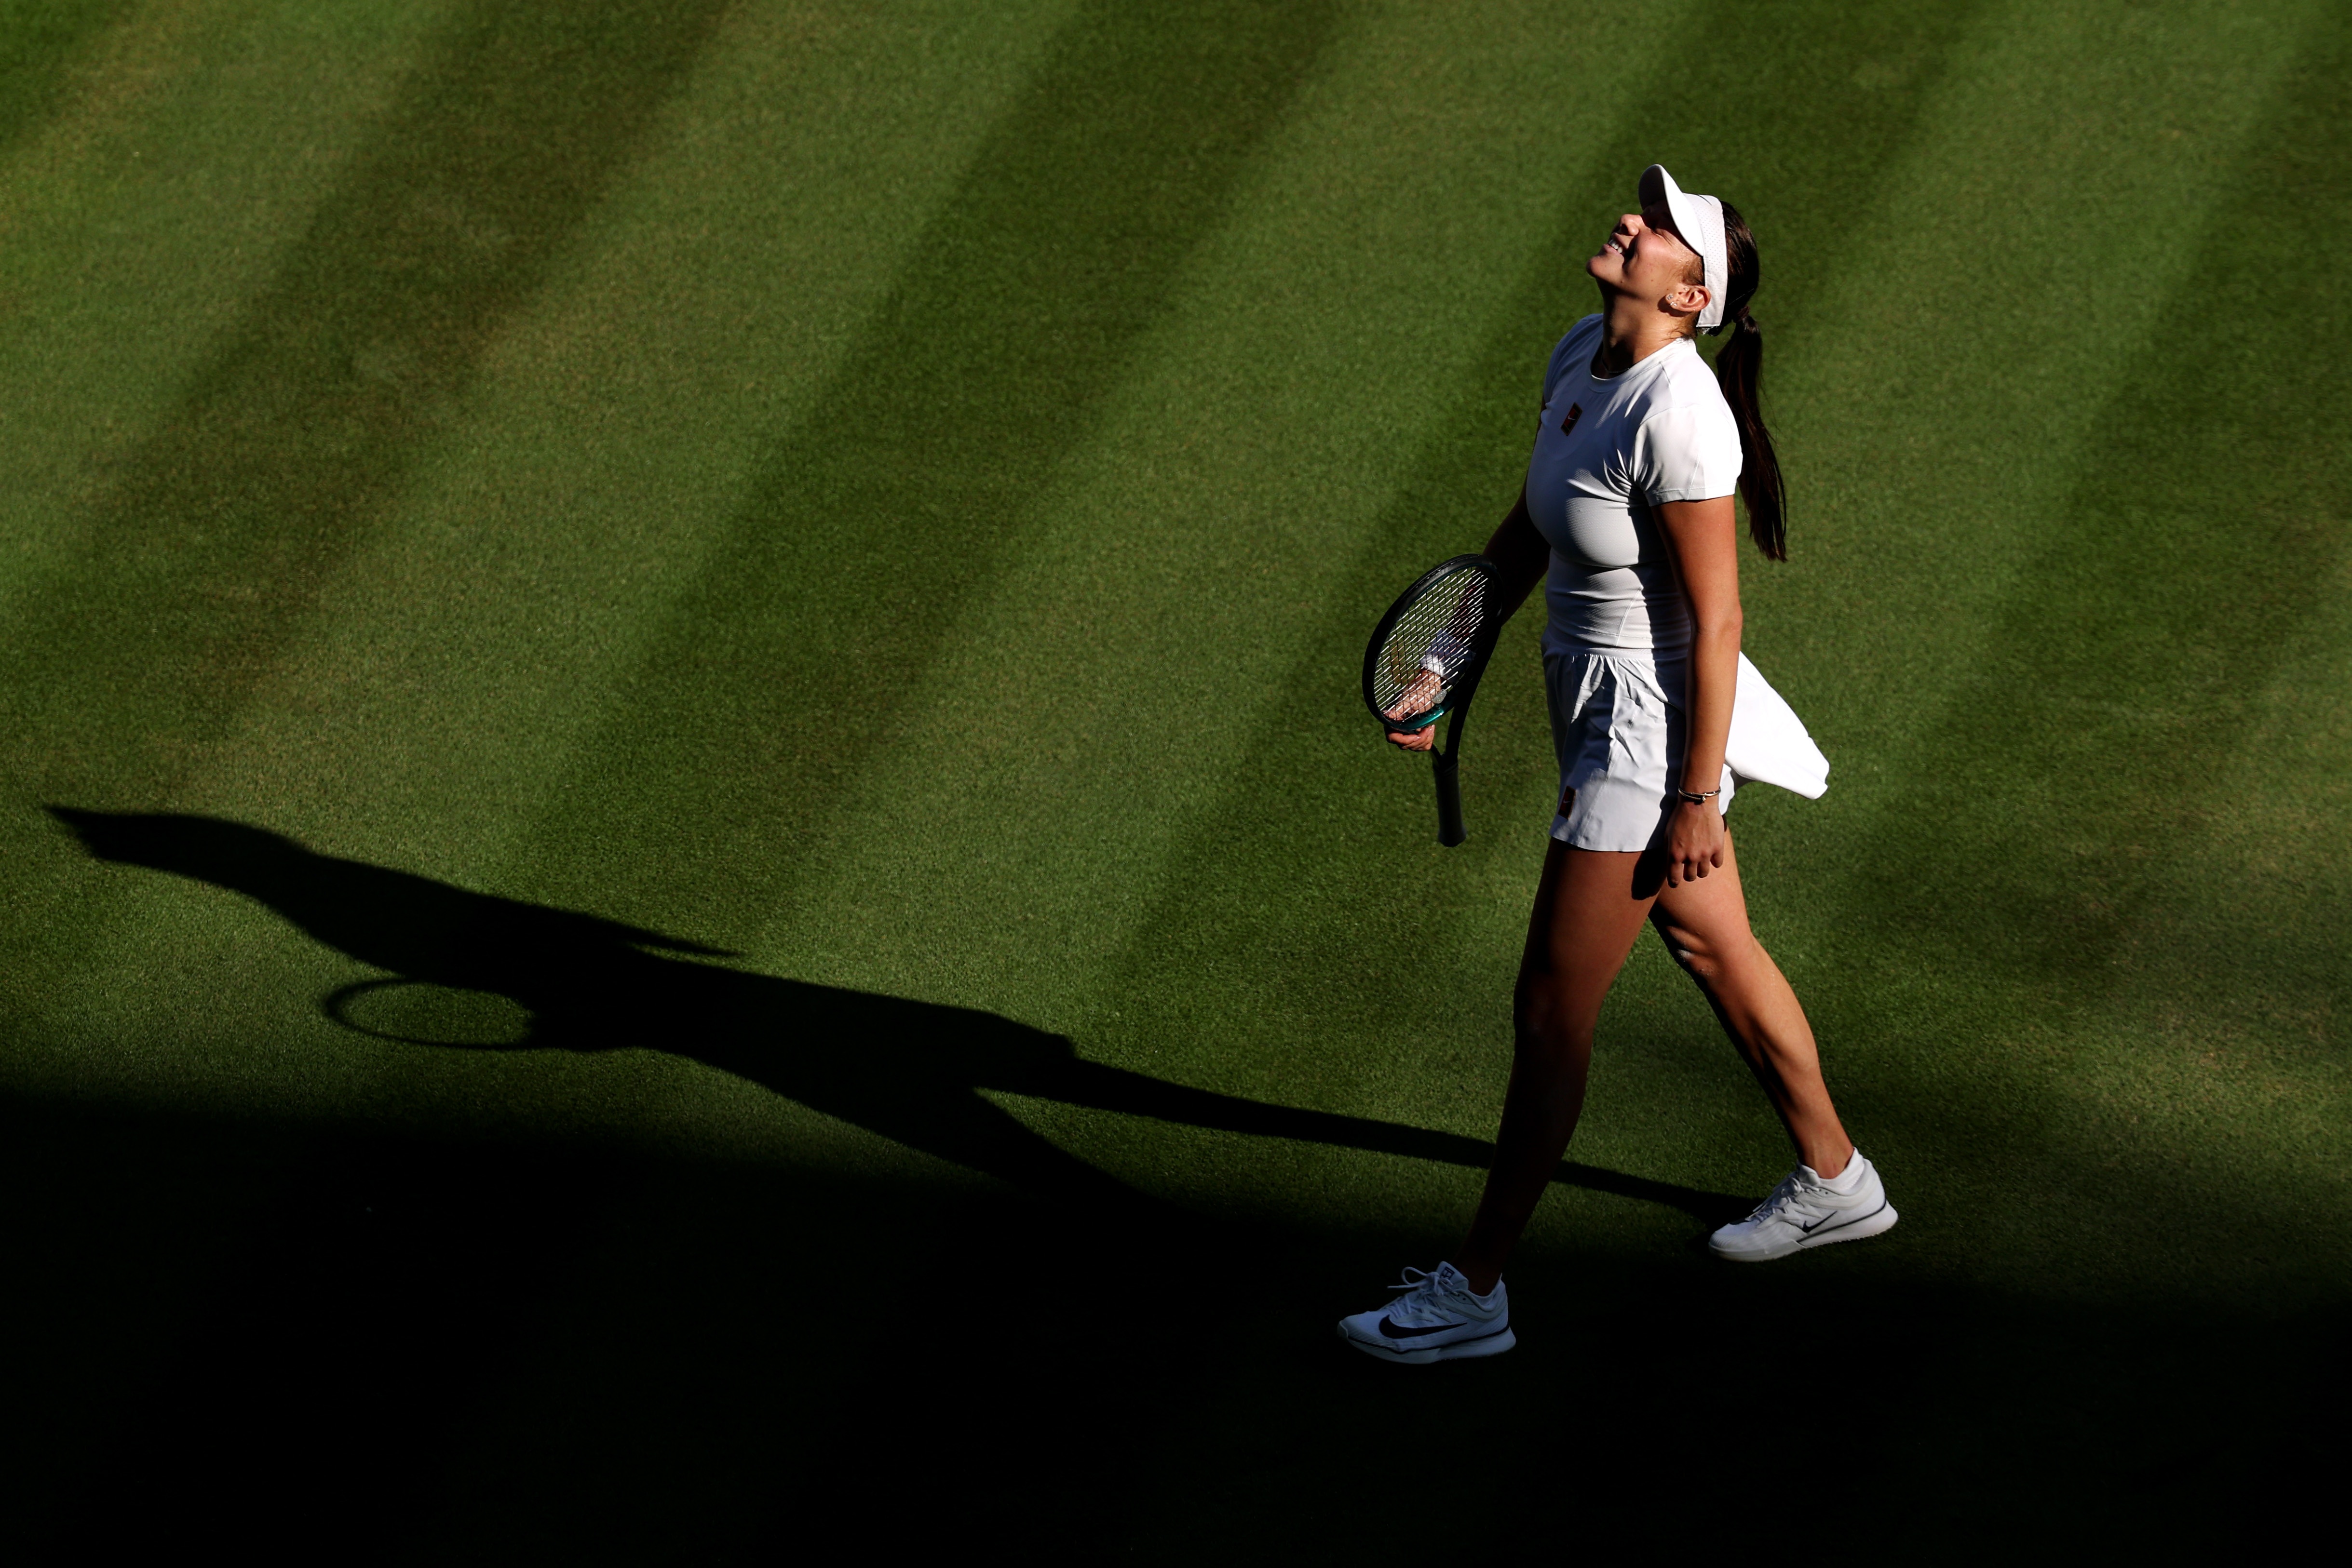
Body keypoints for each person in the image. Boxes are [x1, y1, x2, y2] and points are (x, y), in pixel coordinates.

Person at [1339, 166, 1896, 1365]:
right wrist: (1447, 659)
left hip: (1648, 730)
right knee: (1711, 942)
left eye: (1661, 227)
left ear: (1693, 296)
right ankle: (1839, 1176)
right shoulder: (1582, 349)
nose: (1633, 220)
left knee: (1551, 1011)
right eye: (1644, 210)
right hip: (1592, 700)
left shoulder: (1684, 417)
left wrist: (1694, 796)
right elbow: (1531, 525)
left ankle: (1475, 1289)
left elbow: (1719, 622)